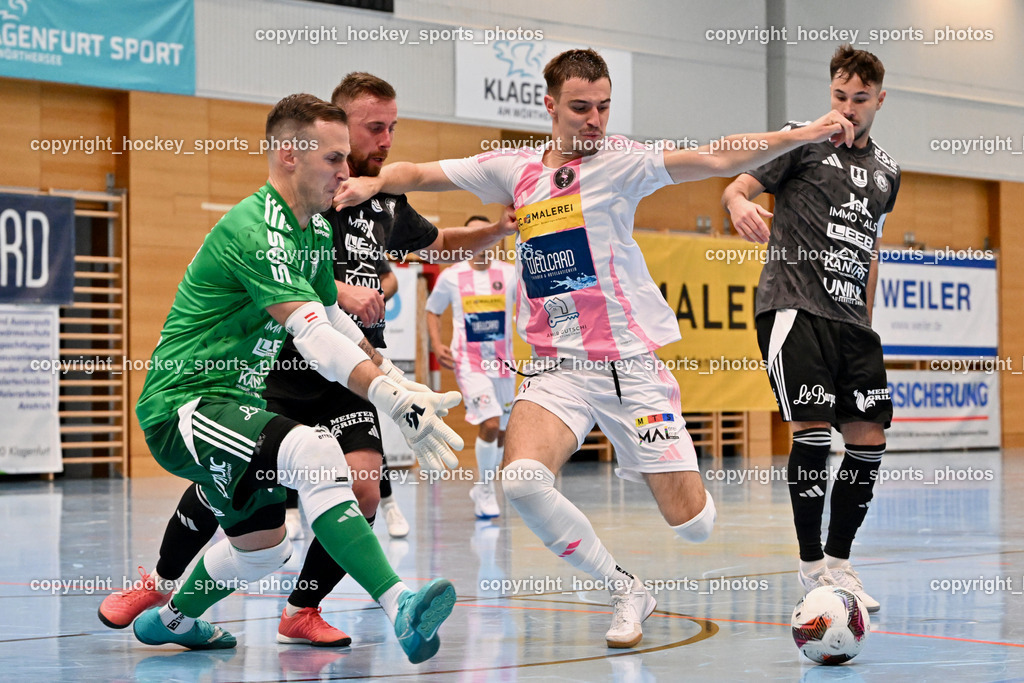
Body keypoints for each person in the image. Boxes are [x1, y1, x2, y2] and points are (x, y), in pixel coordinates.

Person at [334, 48, 855, 648]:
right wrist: (375, 179)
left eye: (604, 107)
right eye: (581, 108)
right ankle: (625, 587)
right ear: (550, 106)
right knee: (524, 480)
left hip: (630, 367)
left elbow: (714, 154)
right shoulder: (516, 168)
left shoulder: (622, 162)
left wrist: (808, 133)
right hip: (557, 368)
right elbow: (422, 173)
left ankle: (662, 463)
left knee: (692, 527)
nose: (594, 120)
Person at [100, 74, 515, 648]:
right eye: (335, 158)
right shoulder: (258, 227)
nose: (348, 173)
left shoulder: (316, 228)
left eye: (348, 157)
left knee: (264, 550)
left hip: (238, 404)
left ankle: (172, 620)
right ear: (290, 155)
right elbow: (314, 332)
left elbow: (338, 321)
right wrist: (392, 399)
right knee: (314, 453)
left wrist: (398, 383)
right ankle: (401, 603)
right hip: (185, 403)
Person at [721, 44, 898, 613]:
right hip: (793, 307)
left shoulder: (888, 172)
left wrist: (867, 322)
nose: (848, 108)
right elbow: (738, 184)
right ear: (831, 93)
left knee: (868, 438)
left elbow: (870, 250)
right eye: (840, 96)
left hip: (852, 323)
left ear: (880, 100)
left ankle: (840, 565)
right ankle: (809, 567)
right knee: (814, 434)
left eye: (860, 99)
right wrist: (735, 205)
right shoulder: (803, 140)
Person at [425, 218, 517, 518]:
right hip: (470, 362)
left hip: (504, 363)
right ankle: (486, 488)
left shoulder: (510, 274)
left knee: (502, 432)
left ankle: (482, 487)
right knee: (489, 423)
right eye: (474, 238)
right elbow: (432, 310)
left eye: (486, 236)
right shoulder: (452, 276)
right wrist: (437, 345)